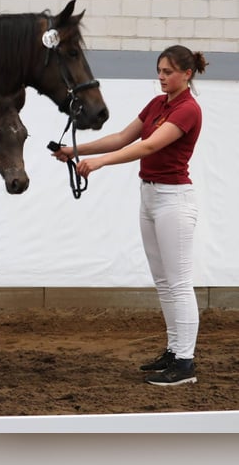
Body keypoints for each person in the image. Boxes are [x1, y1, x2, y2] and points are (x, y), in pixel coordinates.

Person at [52, 45, 207, 386]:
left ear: (187, 74)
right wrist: (74, 150)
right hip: (150, 196)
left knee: (179, 283)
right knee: (164, 282)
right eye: (160, 70)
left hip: (174, 200)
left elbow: (149, 146)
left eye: (168, 72)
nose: (162, 77)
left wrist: (100, 163)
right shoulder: (157, 104)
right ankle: (174, 350)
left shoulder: (188, 109)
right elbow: (123, 136)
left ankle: (185, 364)